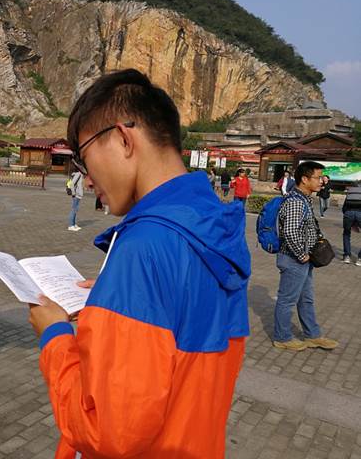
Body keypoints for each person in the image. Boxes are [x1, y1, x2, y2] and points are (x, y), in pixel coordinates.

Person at [29, 69, 250, 458]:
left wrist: (56, 336)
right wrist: (110, 299)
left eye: (84, 158)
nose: (87, 179)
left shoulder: (144, 247)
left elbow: (108, 432)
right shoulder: (210, 226)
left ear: (123, 139)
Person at [272, 161, 338, 351]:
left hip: (302, 260)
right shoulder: (295, 202)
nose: (321, 181)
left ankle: (312, 335)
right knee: (287, 300)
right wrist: (302, 255)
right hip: (293, 259)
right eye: (318, 177)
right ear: (304, 179)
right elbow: (290, 231)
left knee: (306, 299)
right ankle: (282, 337)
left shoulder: (304, 199)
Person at [342, 180, 361, 265]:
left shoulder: (350, 192)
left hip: (348, 214)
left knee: (346, 234)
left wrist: (352, 222)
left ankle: (347, 256)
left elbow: (344, 208)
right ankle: (360, 259)